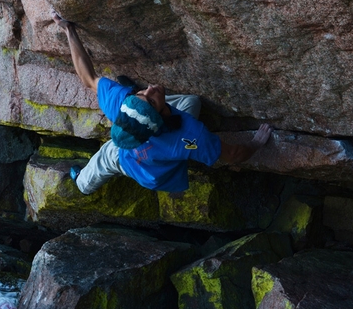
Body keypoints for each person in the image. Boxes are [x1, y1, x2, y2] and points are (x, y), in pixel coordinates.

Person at [51, 10, 273, 194]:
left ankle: (136, 94)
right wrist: (256, 143)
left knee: (192, 102)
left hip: (151, 148)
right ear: (162, 116)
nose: (151, 88)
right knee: (108, 155)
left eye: (141, 94)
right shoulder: (190, 135)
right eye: (150, 99)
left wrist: (68, 29)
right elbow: (233, 155)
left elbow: (87, 78)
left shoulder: (121, 102)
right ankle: (82, 183)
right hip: (146, 170)